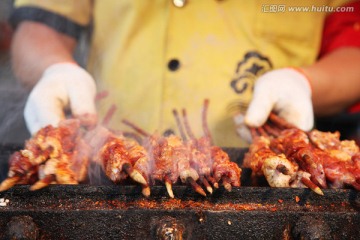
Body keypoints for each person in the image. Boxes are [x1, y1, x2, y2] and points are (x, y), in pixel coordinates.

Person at [8, 0, 360, 147]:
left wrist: (303, 82)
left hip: (259, 167)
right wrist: (54, 69)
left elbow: (353, 46)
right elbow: (40, 27)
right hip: (111, 167)